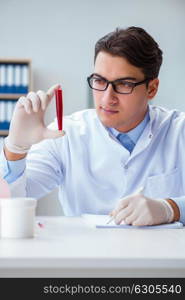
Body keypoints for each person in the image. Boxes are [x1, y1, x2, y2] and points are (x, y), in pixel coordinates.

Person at [0, 26, 184, 226]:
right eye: (99, 80)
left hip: (161, 256)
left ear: (152, 88)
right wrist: (15, 150)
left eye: (124, 84)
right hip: (85, 255)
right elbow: (12, 202)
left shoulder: (179, 131)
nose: (107, 98)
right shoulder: (66, 134)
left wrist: (171, 209)